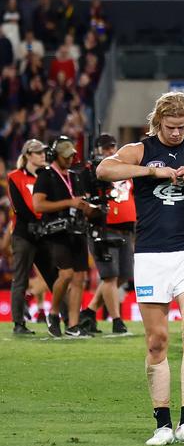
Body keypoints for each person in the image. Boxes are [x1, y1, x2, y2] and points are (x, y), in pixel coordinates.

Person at [97, 91, 184, 446]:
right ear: (157, 121)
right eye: (170, 127)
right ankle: (162, 423)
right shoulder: (140, 150)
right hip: (150, 256)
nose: (176, 133)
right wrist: (150, 172)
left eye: (182, 127)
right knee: (157, 341)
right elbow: (104, 169)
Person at [33, 136, 96, 338]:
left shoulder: (74, 176)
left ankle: (73, 325)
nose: (69, 160)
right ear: (55, 155)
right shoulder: (46, 176)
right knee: (66, 274)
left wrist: (89, 208)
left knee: (79, 278)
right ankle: (53, 313)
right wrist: (69, 203)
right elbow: (38, 205)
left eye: (71, 156)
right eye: (65, 156)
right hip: (56, 232)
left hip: (77, 230)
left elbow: (78, 201)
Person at [88, 133, 135, 336]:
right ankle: (117, 320)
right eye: (105, 148)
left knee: (123, 275)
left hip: (126, 229)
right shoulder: (93, 171)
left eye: (112, 147)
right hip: (104, 228)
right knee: (110, 276)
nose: (109, 151)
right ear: (97, 150)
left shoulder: (126, 170)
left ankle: (88, 313)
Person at [7, 139, 53, 335]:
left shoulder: (48, 175)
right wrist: (36, 223)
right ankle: (19, 323)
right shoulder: (14, 176)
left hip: (44, 234)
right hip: (24, 235)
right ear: (27, 156)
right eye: (37, 152)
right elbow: (19, 206)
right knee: (20, 279)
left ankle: (68, 319)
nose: (42, 155)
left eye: (43, 151)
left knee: (55, 277)